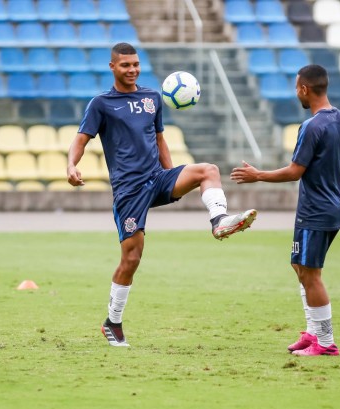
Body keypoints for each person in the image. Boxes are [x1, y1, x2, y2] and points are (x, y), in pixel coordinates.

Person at [67, 42, 257, 347]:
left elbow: (159, 140)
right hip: (129, 192)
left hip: (156, 179)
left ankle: (219, 220)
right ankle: (112, 322)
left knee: (208, 170)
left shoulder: (152, 97)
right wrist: (71, 165)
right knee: (132, 258)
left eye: (136, 64)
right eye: (126, 65)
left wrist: (173, 180)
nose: (132, 70)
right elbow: (80, 140)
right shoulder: (101, 104)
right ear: (113, 67)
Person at [230, 64, 340, 356]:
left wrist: (258, 175)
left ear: (304, 89)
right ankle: (313, 332)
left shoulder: (311, 126)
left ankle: (326, 343)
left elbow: (294, 171)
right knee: (299, 266)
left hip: (314, 211)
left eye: (296, 87)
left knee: (312, 275)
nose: (296, 93)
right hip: (329, 209)